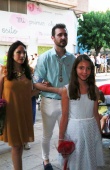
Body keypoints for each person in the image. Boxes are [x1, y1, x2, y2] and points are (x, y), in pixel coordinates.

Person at [33, 23, 75, 170]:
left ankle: (65, 162)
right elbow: (36, 83)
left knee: (66, 135)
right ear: (53, 38)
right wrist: (51, 88)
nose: (63, 37)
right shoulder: (45, 58)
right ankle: (45, 160)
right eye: (60, 35)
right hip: (49, 102)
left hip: (67, 103)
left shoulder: (72, 59)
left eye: (65, 34)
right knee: (47, 135)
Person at [58, 54, 104, 170]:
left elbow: (95, 113)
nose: (85, 71)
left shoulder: (94, 89)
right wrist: (61, 138)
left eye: (88, 68)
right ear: (75, 69)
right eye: (81, 68)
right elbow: (64, 116)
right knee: (75, 161)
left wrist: (99, 134)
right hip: (74, 131)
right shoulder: (66, 90)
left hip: (91, 129)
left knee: (90, 161)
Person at [0, 40, 39, 170]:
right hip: (10, 114)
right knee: (16, 146)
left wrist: (40, 89)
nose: (22, 55)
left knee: (20, 145)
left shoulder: (28, 73)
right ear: (12, 54)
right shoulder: (4, 72)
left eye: (24, 52)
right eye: (18, 52)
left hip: (24, 113)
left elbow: (28, 94)